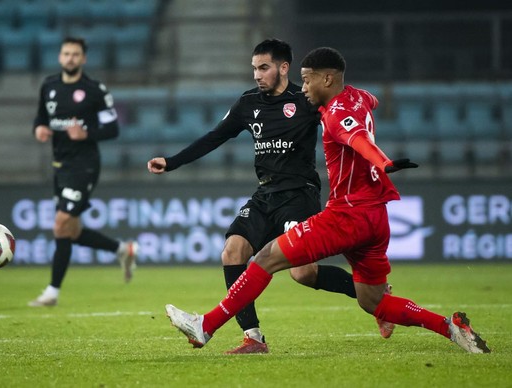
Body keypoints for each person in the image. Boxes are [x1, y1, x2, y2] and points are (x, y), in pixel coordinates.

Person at [164, 47, 491, 354]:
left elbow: (358, 139)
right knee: (372, 302)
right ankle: (451, 328)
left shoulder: (333, 114)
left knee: (265, 258)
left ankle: (205, 325)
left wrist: (384, 163)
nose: (303, 87)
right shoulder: (358, 97)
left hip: (347, 216)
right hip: (377, 219)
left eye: (307, 79)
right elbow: (372, 101)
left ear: (327, 79)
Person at [148, 39, 394, 354]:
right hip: (265, 193)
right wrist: (172, 162)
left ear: (283, 67)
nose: (257, 75)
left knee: (302, 273)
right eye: (254, 68)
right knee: (232, 251)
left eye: (263, 68)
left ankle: (379, 300)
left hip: (299, 194)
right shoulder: (248, 102)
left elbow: (343, 117)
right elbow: (215, 136)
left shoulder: (305, 99)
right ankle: (253, 337)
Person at [29, 37, 138, 307]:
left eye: (75, 54)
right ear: (60, 57)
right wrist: (39, 129)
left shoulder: (94, 90)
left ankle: (52, 292)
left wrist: (85, 132)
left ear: (83, 59)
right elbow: (41, 118)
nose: (70, 58)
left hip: (84, 165)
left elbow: (113, 128)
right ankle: (122, 249)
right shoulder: (49, 86)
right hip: (60, 165)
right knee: (72, 231)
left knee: (60, 223)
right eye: (66, 53)